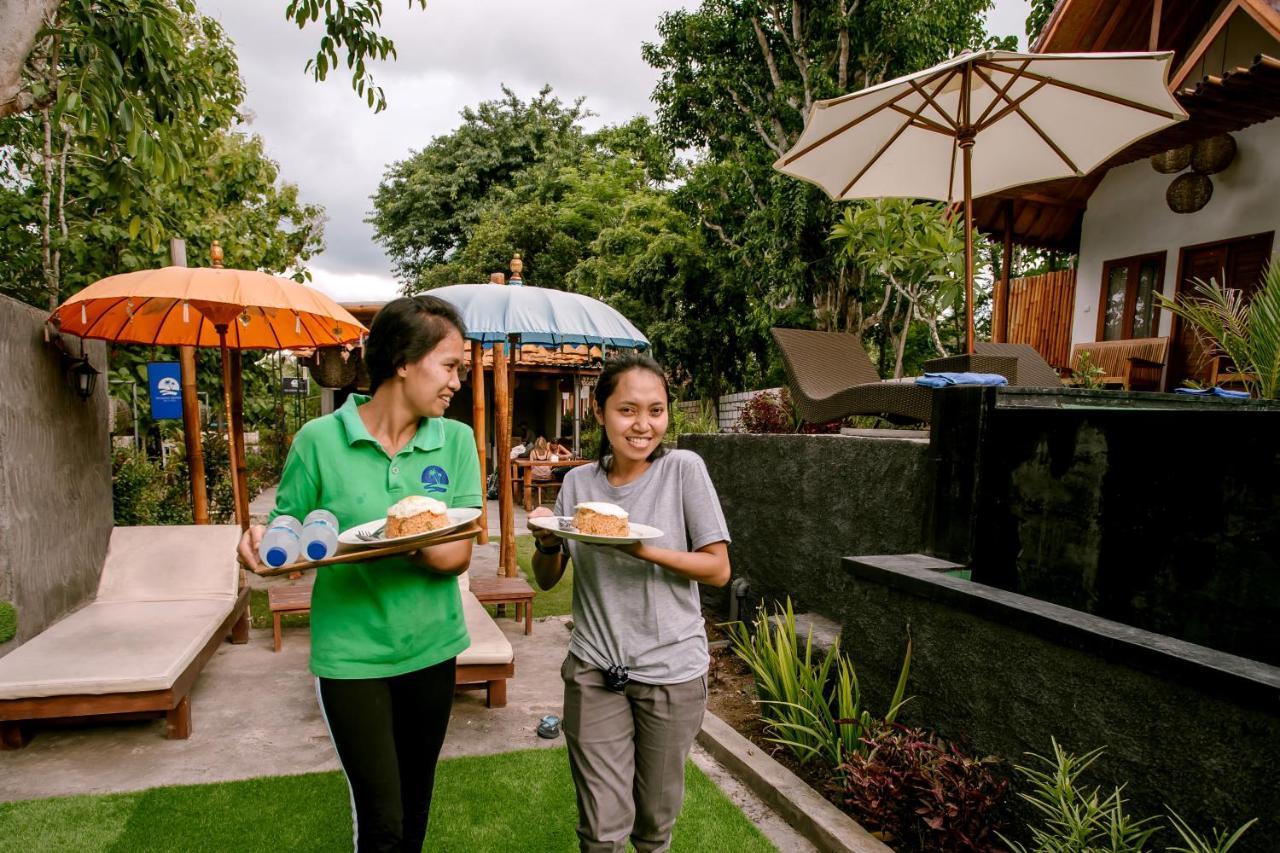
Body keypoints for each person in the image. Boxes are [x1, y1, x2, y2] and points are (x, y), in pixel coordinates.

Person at [237, 296, 481, 853]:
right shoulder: (320, 440)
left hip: (433, 646)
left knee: (416, 802)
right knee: (382, 822)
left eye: (461, 369)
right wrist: (259, 551)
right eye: (449, 366)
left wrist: (395, 537)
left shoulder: (456, 440)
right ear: (402, 361)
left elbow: (456, 556)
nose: (456, 383)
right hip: (351, 656)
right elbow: (289, 539)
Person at [527, 352, 731, 853]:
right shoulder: (577, 484)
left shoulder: (684, 469)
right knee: (600, 832)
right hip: (595, 669)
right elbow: (548, 579)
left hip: (671, 672)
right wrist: (547, 541)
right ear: (599, 412)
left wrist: (644, 551)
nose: (643, 425)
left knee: (654, 826)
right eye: (628, 410)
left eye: (656, 411)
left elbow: (718, 568)